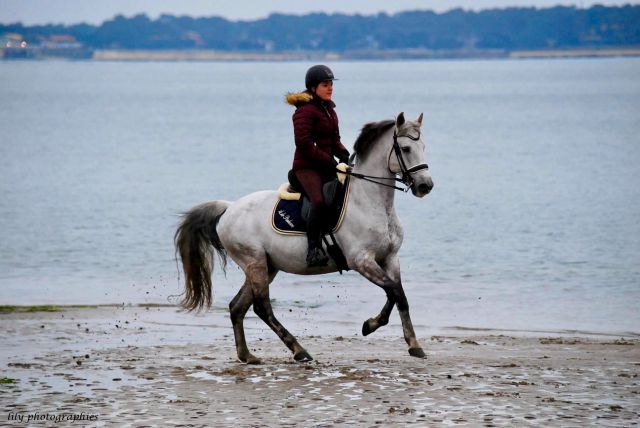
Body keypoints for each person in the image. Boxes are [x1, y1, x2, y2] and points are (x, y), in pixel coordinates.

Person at [286, 65, 350, 267]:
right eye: (325, 84)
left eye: (331, 84)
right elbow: (304, 144)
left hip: (325, 166)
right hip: (306, 168)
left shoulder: (330, 110)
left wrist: (344, 154)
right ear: (313, 87)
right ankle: (312, 250)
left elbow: (335, 139)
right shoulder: (304, 112)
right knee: (319, 202)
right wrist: (329, 160)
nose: (330, 88)